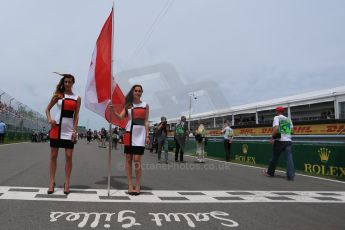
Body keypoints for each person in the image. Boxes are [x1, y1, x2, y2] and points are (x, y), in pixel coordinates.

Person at [45, 73, 81, 195]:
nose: (67, 84)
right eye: (65, 82)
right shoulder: (58, 95)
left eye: (69, 82)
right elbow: (47, 109)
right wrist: (50, 120)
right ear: (63, 83)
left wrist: (75, 130)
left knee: (69, 156)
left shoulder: (77, 98)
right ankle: (51, 182)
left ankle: (67, 182)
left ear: (72, 83)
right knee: (53, 155)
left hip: (69, 130)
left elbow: (76, 116)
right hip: (56, 128)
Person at [112, 84, 149, 196]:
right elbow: (120, 117)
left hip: (140, 134)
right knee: (128, 158)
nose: (137, 92)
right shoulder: (128, 105)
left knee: (137, 160)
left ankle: (137, 185)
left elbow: (146, 121)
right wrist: (113, 111)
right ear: (133, 92)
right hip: (129, 133)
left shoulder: (145, 105)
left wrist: (147, 135)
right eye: (136, 91)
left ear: (141, 92)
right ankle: (129, 184)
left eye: (139, 91)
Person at [262, 106, 295, 181]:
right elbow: (292, 131)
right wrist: (285, 129)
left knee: (274, 158)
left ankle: (270, 173)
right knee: (289, 159)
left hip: (279, 141)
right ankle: (291, 176)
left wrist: (272, 138)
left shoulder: (276, 117)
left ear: (277, 112)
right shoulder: (288, 119)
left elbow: (276, 128)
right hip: (288, 141)